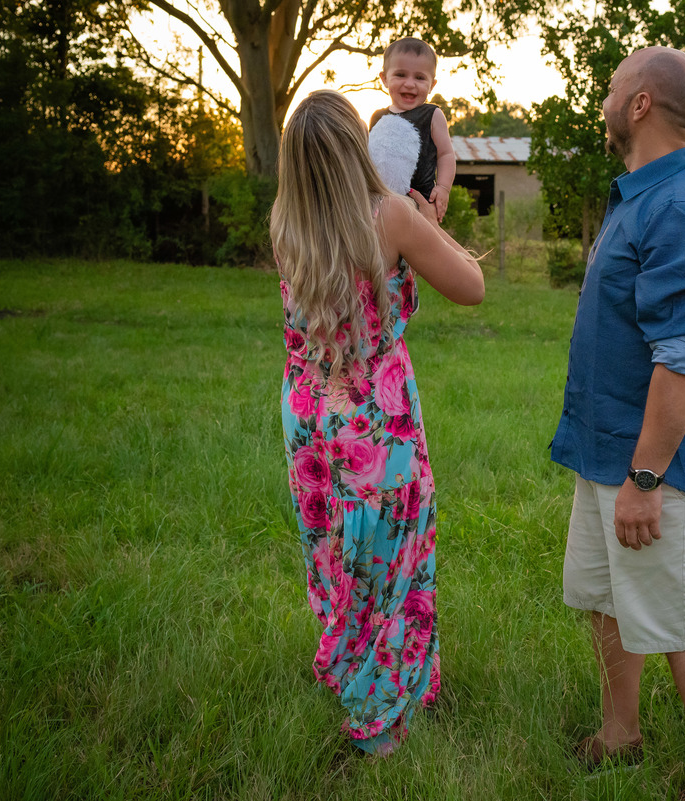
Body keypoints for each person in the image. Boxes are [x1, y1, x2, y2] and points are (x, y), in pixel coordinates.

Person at [549, 47, 685, 801]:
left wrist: (645, 478)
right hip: (607, 451)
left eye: (610, 87)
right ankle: (620, 732)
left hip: (652, 465)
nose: (603, 98)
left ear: (638, 104)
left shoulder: (678, 208)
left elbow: (680, 361)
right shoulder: (640, 195)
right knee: (607, 601)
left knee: (676, 620)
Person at [273, 89, 483, 755]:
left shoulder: (284, 217)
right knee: (389, 555)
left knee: (334, 548)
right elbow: (471, 285)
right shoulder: (388, 216)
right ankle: (380, 710)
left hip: (308, 411)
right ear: (353, 149)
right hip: (372, 416)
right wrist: (430, 218)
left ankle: (350, 664)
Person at [368, 37, 456, 221]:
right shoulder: (377, 117)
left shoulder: (432, 114)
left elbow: (446, 154)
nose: (409, 83)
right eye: (400, 75)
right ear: (384, 79)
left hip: (419, 205)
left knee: (420, 247)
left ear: (432, 85)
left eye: (420, 77)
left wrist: (443, 188)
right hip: (381, 205)